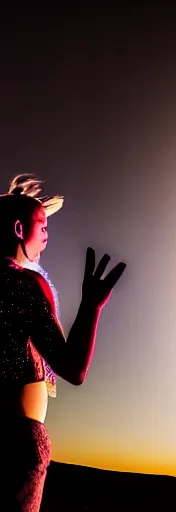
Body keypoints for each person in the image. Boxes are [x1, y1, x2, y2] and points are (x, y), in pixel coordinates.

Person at [0, 174, 126, 511]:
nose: (46, 236)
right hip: (15, 447)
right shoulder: (21, 286)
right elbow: (73, 368)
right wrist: (92, 306)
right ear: (18, 230)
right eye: (41, 226)